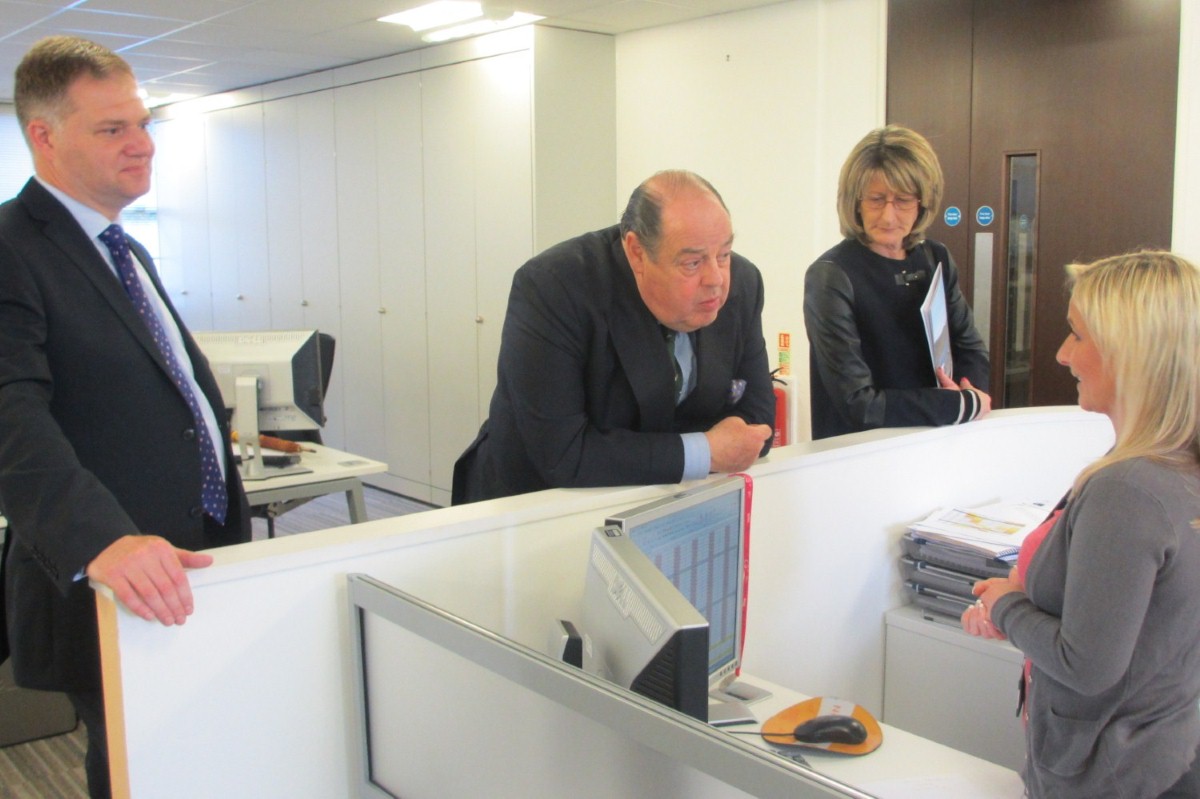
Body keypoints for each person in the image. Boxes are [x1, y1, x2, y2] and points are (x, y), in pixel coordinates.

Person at [0, 36, 250, 798]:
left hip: (189, 556)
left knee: (192, 751)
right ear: (44, 136)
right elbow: (9, 412)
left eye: (142, 124)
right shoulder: (11, 246)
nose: (142, 145)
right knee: (141, 765)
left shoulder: (122, 248)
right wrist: (100, 540)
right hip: (113, 572)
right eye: (112, 129)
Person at [961, 251, 1200, 798]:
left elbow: (1087, 664)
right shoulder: (1174, 466)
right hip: (1163, 759)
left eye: (1077, 335)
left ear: (1130, 353)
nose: (1062, 354)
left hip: (1113, 776)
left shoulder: (1127, 488)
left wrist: (1006, 605)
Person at [452, 170, 774, 504]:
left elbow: (759, 422)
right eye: (692, 263)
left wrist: (721, 446)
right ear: (636, 252)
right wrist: (705, 451)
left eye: (724, 254)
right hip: (535, 503)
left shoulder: (744, 284)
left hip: (665, 502)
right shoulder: (554, 288)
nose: (716, 279)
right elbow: (563, 453)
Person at [804, 125, 990, 440]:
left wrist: (968, 391)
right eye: (876, 200)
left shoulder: (935, 257)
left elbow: (970, 347)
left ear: (923, 203)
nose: (889, 217)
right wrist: (956, 405)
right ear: (855, 202)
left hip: (937, 439)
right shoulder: (830, 276)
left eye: (903, 200)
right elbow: (858, 403)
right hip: (862, 450)